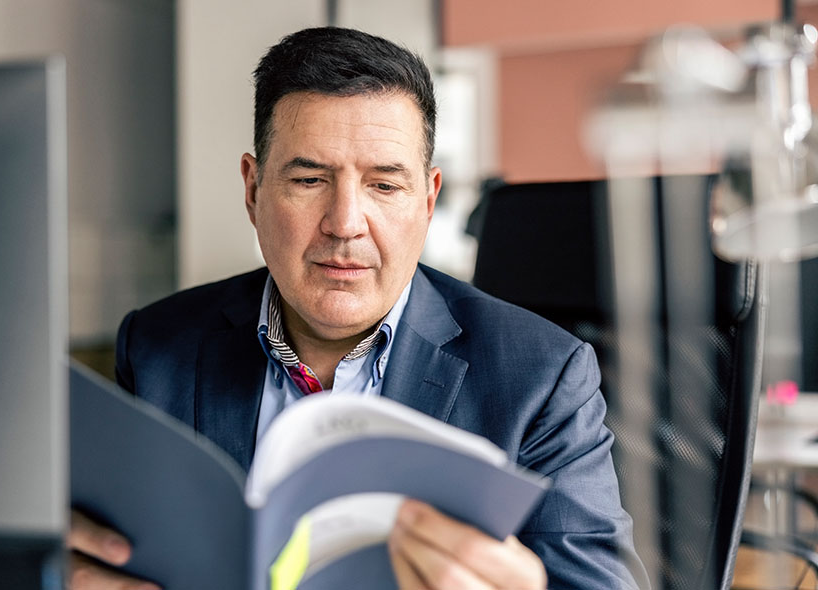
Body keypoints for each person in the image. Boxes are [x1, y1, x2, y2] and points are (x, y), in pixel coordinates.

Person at [68, 26, 648, 590]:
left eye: (384, 186)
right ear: (253, 190)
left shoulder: (543, 376)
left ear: (428, 199)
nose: (345, 223)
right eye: (309, 178)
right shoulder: (158, 347)